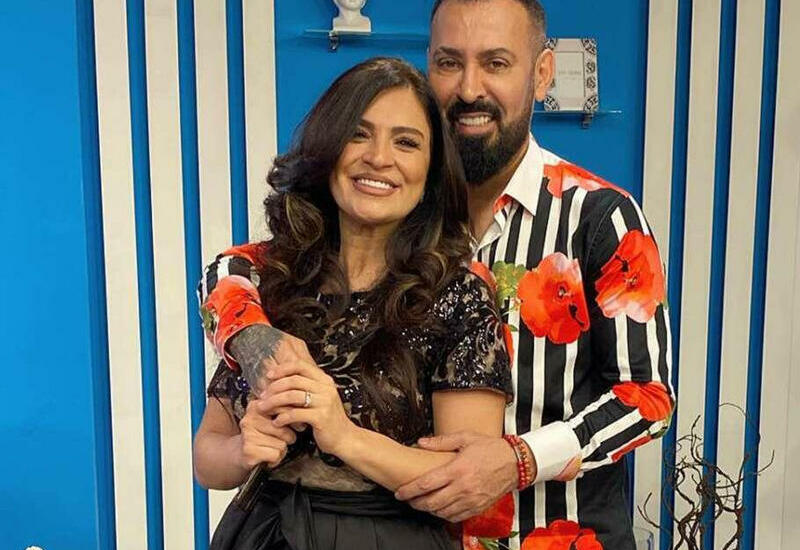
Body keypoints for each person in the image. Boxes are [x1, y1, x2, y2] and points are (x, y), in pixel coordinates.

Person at [201, 1, 674, 548]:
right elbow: (231, 270)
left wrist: (517, 459)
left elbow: (649, 397)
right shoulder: (396, 212)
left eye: (496, 63)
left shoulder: (599, 217)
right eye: (450, 62)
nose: (469, 88)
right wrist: (255, 339)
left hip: (549, 535)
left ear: (542, 72)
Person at [193, 57, 513, 550]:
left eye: (406, 142)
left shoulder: (460, 297)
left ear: (431, 171)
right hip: (259, 532)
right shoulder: (271, 284)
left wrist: (343, 435)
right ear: (328, 150)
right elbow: (206, 456)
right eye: (359, 135)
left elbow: (463, 483)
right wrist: (242, 449)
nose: (379, 158)